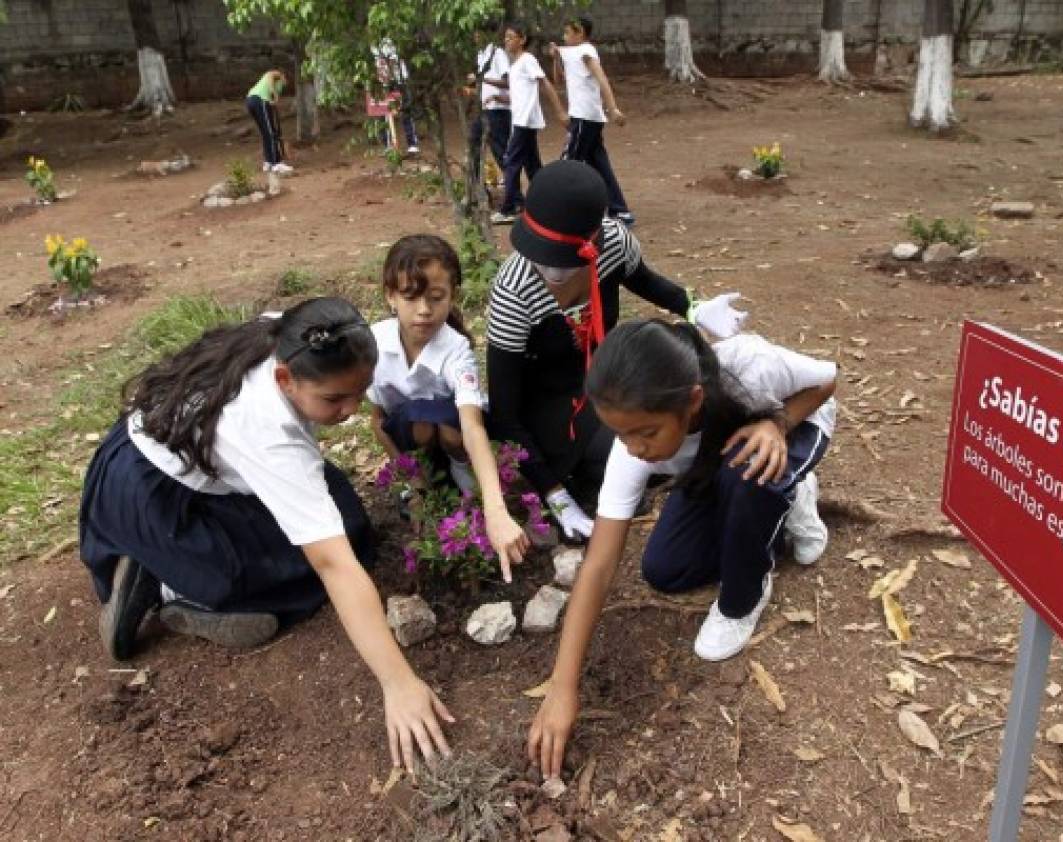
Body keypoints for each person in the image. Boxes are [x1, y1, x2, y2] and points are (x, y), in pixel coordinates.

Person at [79, 297, 453, 774]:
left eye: (358, 392)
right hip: (155, 494)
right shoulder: (269, 433)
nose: (351, 409)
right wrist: (398, 683)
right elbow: (333, 565)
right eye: (334, 399)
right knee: (295, 576)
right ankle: (164, 582)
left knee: (352, 527)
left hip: (179, 450)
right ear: (284, 380)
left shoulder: (300, 334)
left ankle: (180, 568)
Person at [526, 318, 837, 777]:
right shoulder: (630, 448)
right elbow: (601, 563)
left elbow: (828, 376)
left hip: (792, 427)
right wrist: (562, 685)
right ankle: (766, 511)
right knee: (666, 571)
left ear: (692, 402)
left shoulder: (748, 367)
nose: (633, 449)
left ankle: (746, 592)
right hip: (717, 457)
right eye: (621, 434)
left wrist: (778, 423)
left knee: (748, 475)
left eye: (646, 433)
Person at [486, 160, 747, 541]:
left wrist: (694, 307)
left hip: (607, 376)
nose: (548, 269)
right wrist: (555, 496)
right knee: (627, 450)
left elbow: (647, 282)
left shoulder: (614, 243)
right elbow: (505, 412)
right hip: (549, 403)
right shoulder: (514, 292)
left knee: (673, 421)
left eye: (559, 260)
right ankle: (578, 480)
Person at [368, 234, 530, 582]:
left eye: (436, 297)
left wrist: (495, 508)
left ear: (452, 295)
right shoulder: (374, 345)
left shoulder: (456, 350)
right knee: (418, 417)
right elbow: (379, 422)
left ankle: (460, 472)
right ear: (390, 296)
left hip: (454, 436)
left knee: (444, 419)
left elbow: (473, 426)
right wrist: (412, 484)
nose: (424, 310)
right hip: (412, 439)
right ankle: (426, 481)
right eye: (410, 297)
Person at [549, 15, 634, 225]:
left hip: (586, 117)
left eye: (568, 32)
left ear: (581, 34)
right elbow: (558, 79)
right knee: (599, 163)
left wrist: (612, 108)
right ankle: (619, 210)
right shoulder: (570, 52)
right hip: (585, 116)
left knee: (569, 162)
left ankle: (566, 211)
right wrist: (555, 57)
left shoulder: (586, 51)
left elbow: (602, 78)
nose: (564, 36)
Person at [491, 21, 568, 225]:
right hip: (521, 118)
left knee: (511, 162)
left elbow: (545, 84)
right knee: (532, 165)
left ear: (522, 39)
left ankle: (510, 207)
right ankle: (550, 203)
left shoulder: (527, 60)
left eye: (511, 37)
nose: (506, 41)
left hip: (525, 121)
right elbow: (520, 94)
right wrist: (500, 99)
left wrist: (560, 111)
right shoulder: (516, 65)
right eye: (505, 37)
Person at [467, 26, 512, 186]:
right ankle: (478, 184)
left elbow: (507, 81)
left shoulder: (497, 53)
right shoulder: (481, 54)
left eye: (478, 33)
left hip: (498, 109)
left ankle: (513, 187)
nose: (475, 37)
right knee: (473, 139)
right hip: (486, 108)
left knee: (499, 148)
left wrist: (481, 78)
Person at [372, 38, 420, 154]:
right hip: (380, 81)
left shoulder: (391, 38)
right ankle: (387, 144)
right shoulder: (373, 43)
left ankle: (412, 143)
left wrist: (394, 78)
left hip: (398, 81)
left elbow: (395, 59)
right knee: (381, 113)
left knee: (405, 110)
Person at [246, 69, 293, 175]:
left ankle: (268, 162)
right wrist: (275, 96)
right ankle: (276, 163)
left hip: (251, 101)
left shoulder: (278, 84)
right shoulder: (278, 75)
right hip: (259, 100)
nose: (286, 83)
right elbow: (270, 75)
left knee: (266, 133)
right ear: (284, 76)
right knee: (271, 133)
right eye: (286, 80)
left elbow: (271, 102)